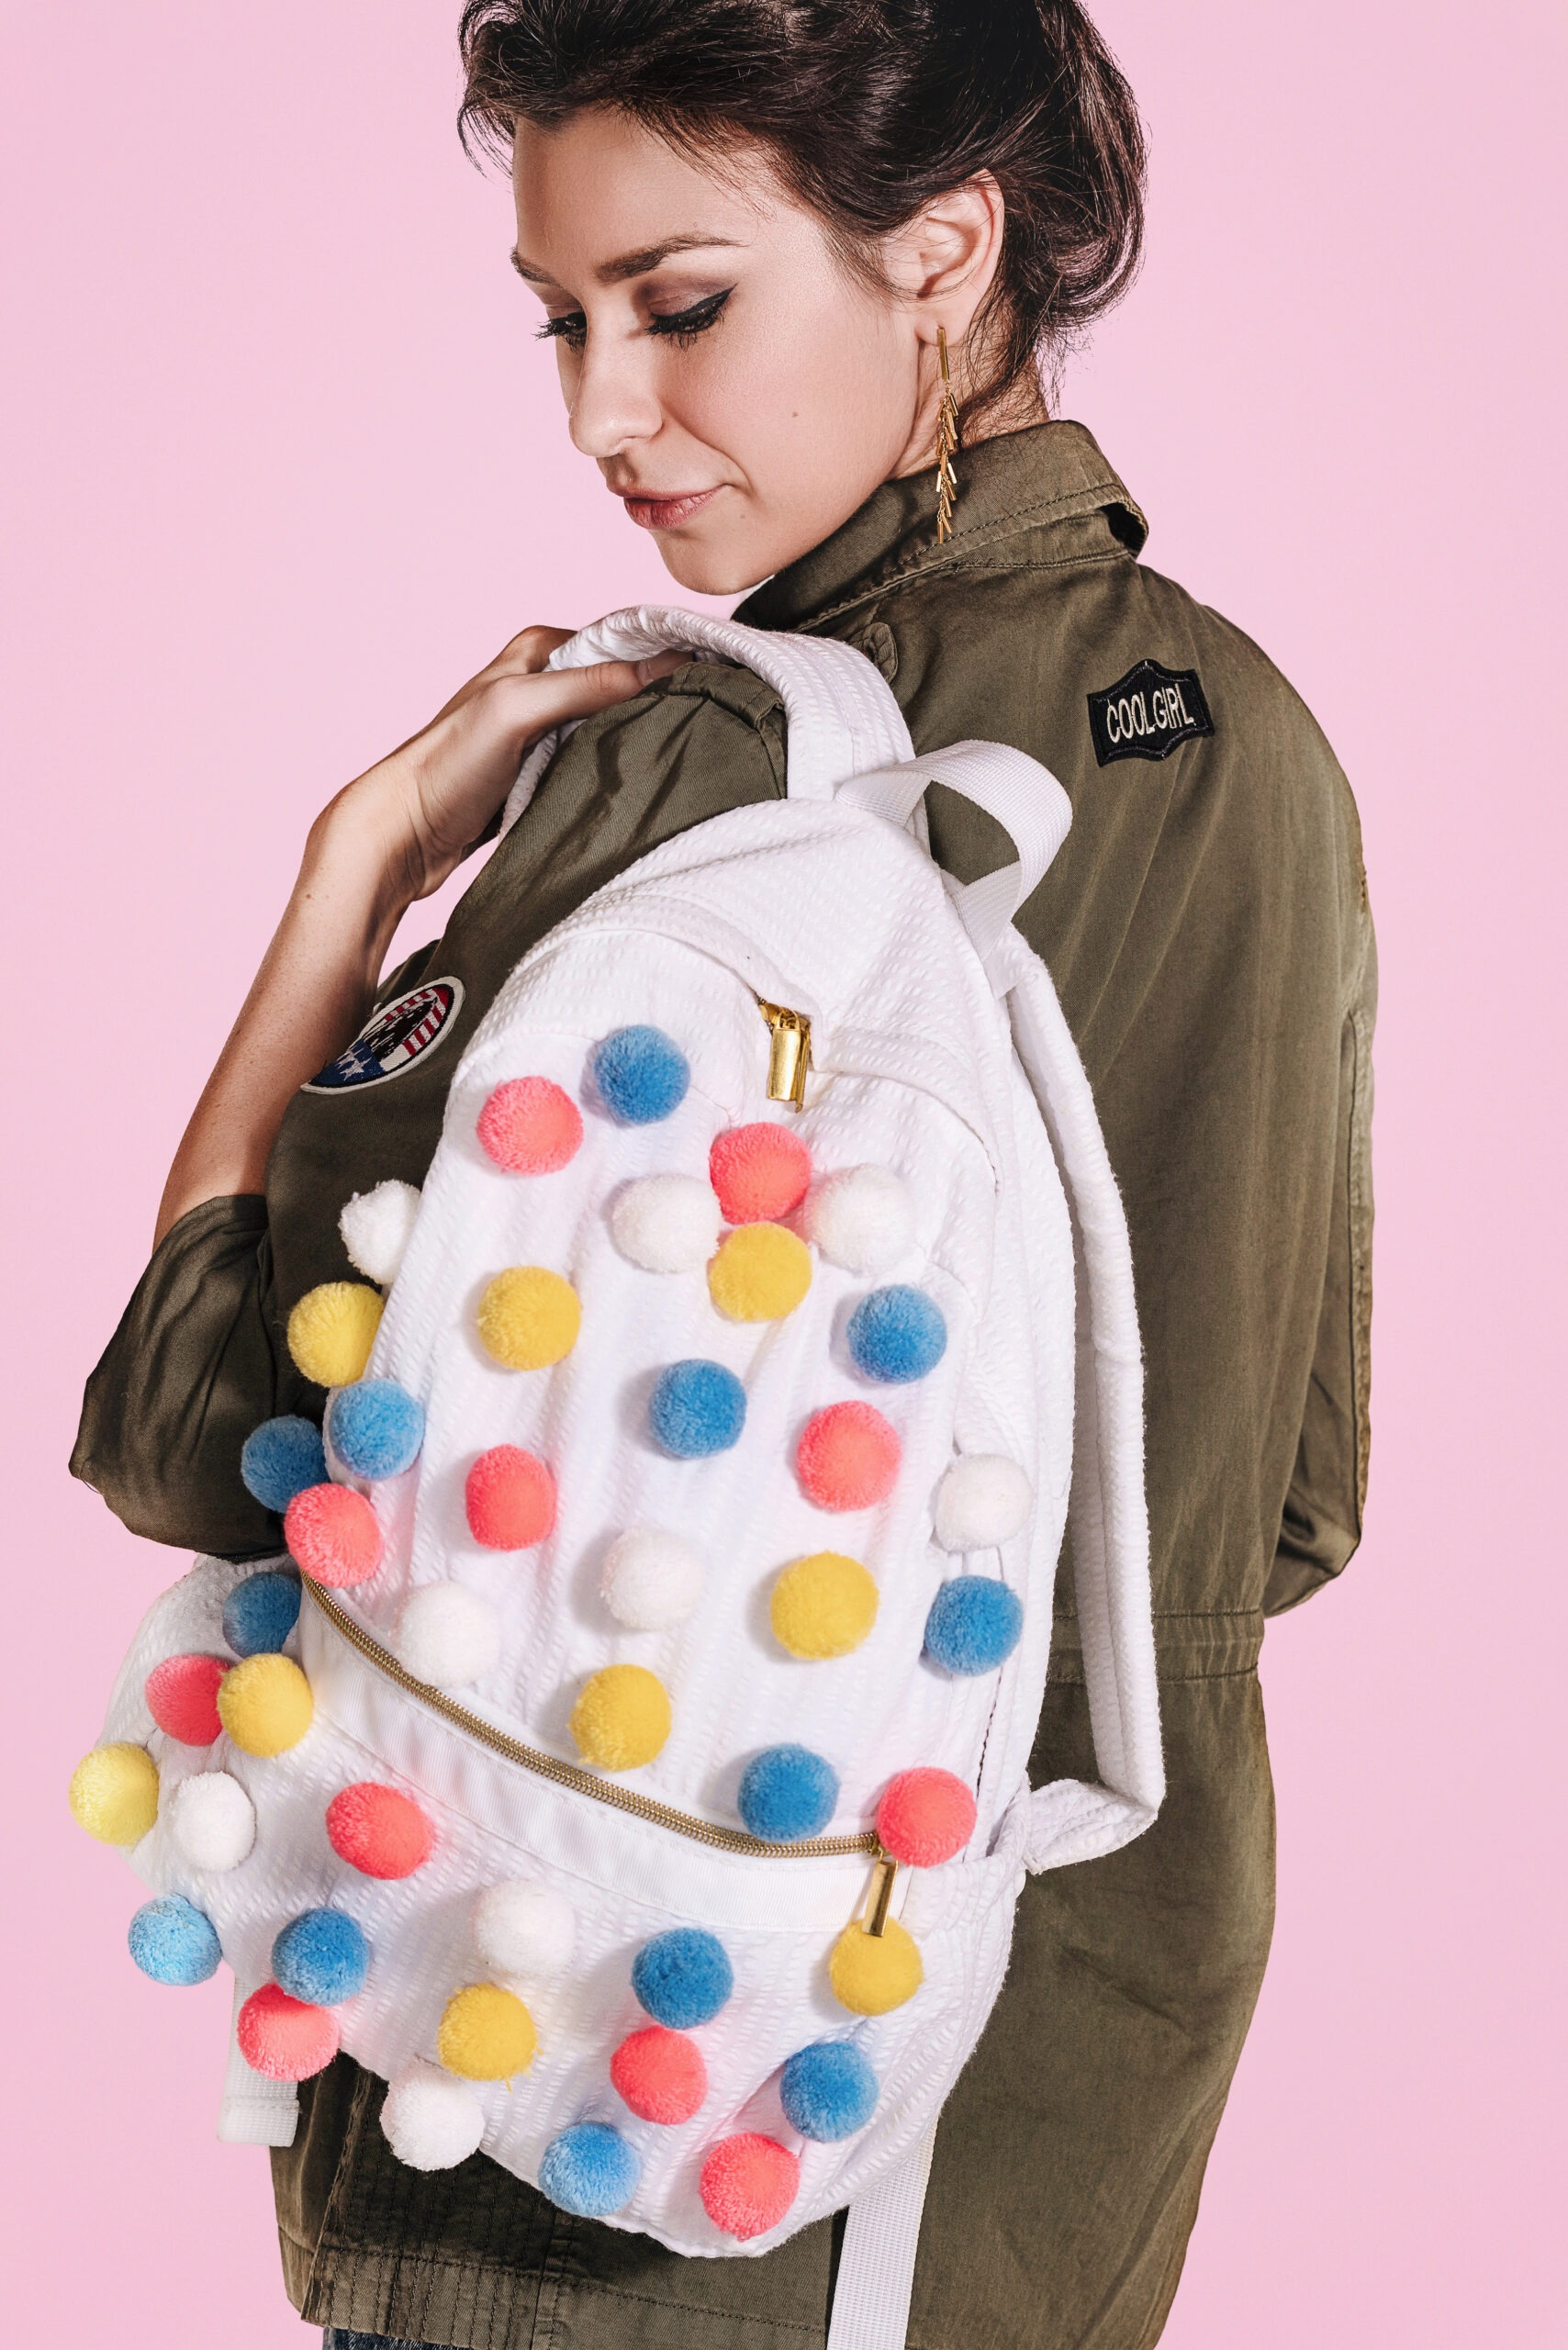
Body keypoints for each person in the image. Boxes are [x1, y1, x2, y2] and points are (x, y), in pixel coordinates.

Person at [71, 3, 1375, 2344]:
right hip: (1039, 2147)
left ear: (941, 251)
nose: (601, 411)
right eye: (560, 324)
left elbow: (195, 1424)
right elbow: (1283, 1508)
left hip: (593, 2105)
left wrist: (348, 879)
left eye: (676, 306)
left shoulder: (696, 773)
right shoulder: (1259, 749)